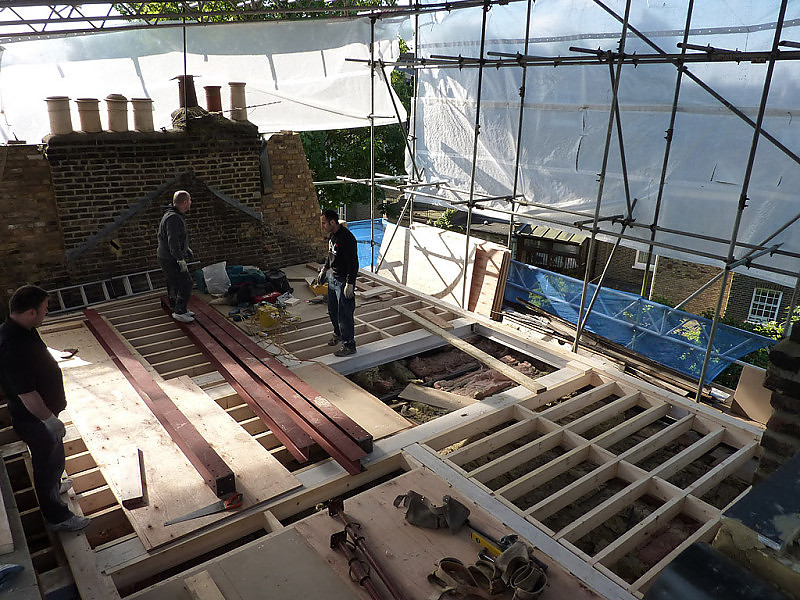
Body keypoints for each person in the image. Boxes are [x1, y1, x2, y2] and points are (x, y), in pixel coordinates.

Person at [0, 285, 90, 532]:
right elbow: (26, 394)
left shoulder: (23, 330)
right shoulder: (12, 346)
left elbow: (35, 360)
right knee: (46, 465)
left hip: (43, 413)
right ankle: (57, 516)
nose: (47, 312)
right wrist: (49, 420)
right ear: (31, 312)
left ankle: (54, 486)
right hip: (35, 419)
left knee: (55, 457)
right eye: (45, 309)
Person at [317, 209, 359, 357]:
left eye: (324, 223)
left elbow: (353, 263)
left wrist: (350, 283)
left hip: (343, 281)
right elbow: (331, 254)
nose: (322, 226)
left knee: (345, 315)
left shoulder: (347, 239)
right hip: (333, 278)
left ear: (332, 222)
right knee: (333, 311)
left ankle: (349, 345)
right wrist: (324, 269)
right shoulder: (332, 235)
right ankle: (338, 334)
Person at [157, 190, 195, 323]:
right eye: (189, 200)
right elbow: (172, 241)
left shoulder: (173, 215)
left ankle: (178, 308)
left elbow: (177, 238)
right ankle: (179, 311)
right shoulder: (173, 218)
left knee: (174, 282)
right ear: (185, 202)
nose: (190, 203)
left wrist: (186, 249)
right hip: (170, 258)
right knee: (186, 283)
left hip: (167, 256)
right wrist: (180, 259)